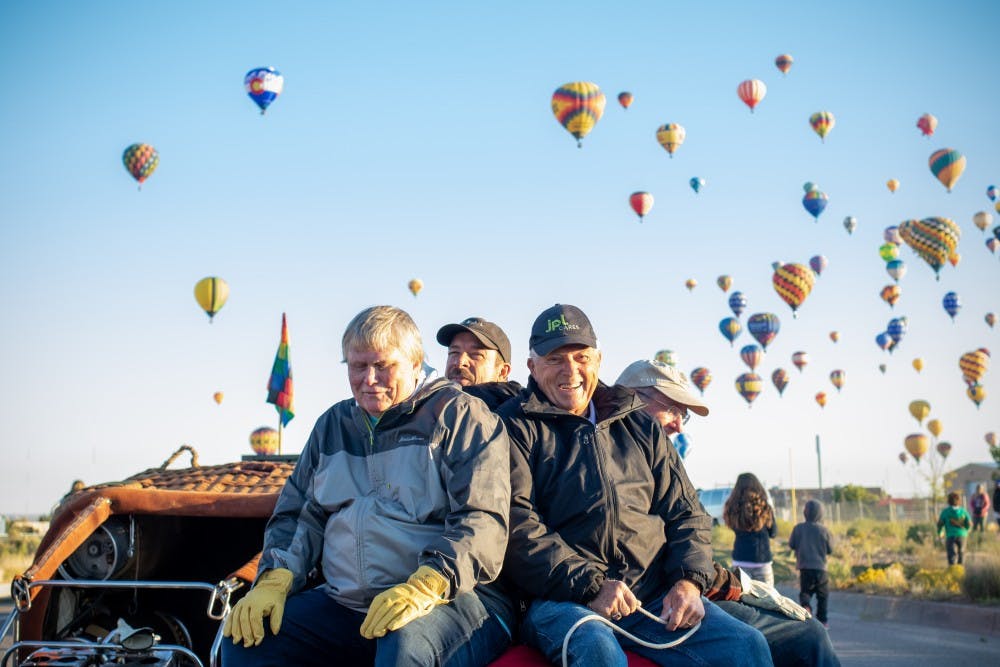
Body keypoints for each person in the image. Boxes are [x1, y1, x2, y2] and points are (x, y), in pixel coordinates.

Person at [221, 305, 513, 667]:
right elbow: (299, 515)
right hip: (348, 604)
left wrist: (428, 583)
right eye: (358, 367)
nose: (369, 379)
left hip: (453, 598)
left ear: (415, 362)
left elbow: (482, 520)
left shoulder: (459, 416)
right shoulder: (333, 425)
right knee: (246, 643)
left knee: (404, 644)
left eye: (383, 366)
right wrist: (275, 577)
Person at [499, 304, 772, 666]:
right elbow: (517, 526)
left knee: (746, 645)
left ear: (598, 360)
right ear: (531, 366)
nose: (571, 371)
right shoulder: (512, 427)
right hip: (563, 600)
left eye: (581, 357)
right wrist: (592, 586)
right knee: (598, 651)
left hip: (652, 595)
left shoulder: (637, 425)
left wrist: (688, 581)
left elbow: (687, 512)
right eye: (555, 359)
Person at [617, 359, 839, 667]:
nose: (679, 425)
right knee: (746, 646)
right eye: (672, 409)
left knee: (810, 633)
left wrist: (712, 581)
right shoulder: (603, 457)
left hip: (691, 587)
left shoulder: (664, 458)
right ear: (631, 398)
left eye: (684, 416)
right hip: (649, 600)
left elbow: (691, 525)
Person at [436, 317, 522, 409]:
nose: (460, 362)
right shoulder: (428, 407)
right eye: (454, 353)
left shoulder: (515, 419)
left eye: (475, 354)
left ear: (502, 372)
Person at [724, 473, 778, 586]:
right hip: (762, 561)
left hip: (740, 561)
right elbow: (773, 533)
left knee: (741, 601)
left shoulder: (732, 507)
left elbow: (732, 527)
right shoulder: (765, 507)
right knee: (768, 600)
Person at [788, 500, 834, 628]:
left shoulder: (798, 528)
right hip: (821, 568)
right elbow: (830, 549)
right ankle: (822, 621)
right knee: (823, 595)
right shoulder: (824, 530)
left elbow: (791, 544)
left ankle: (806, 607)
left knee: (805, 592)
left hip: (804, 567)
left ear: (804, 513)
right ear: (821, 514)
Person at [937, 491, 972, 565]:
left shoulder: (945, 512)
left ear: (948, 501)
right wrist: (966, 530)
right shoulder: (963, 511)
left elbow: (940, 524)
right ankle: (961, 570)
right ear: (959, 501)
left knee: (951, 555)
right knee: (961, 553)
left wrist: (940, 533)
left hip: (950, 535)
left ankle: (952, 571)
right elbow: (969, 523)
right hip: (962, 535)